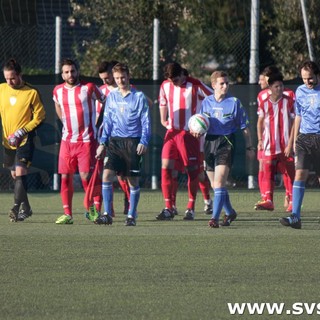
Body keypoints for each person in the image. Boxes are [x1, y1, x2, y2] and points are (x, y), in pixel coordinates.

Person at [156, 62, 213, 221]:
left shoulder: (194, 84)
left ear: (182, 75)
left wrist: (204, 121)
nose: (172, 83)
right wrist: (163, 120)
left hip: (190, 135)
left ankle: (191, 207)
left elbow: (213, 98)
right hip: (172, 133)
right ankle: (169, 207)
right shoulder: (165, 85)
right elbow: (163, 102)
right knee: (166, 167)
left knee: (193, 171)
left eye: (175, 79)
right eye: (170, 80)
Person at [95, 63, 151, 226]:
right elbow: (108, 122)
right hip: (114, 142)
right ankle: (107, 214)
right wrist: (102, 143)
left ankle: (131, 216)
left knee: (132, 181)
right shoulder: (111, 97)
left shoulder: (139, 97)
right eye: (117, 78)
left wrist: (144, 141)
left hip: (132, 142)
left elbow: (146, 121)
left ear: (128, 77)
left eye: (123, 77)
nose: (120, 81)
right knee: (106, 177)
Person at [198, 70, 254, 228]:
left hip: (226, 142)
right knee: (215, 186)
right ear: (213, 85)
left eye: (227, 83)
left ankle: (214, 218)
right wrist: (196, 131)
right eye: (221, 83)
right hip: (209, 142)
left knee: (220, 182)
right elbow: (200, 123)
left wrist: (250, 146)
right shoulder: (206, 102)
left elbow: (245, 127)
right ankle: (230, 212)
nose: (225, 86)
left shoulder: (234, 102)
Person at [53, 58, 106, 224]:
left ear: (78, 71)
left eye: (73, 71)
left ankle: (94, 209)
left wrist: (99, 124)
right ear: (62, 74)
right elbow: (58, 105)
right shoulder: (57, 91)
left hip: (87, 140)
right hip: (67, 141)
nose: (70, 74)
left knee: (86, 176)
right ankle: (68, 215)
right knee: (65, 177)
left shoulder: (88, 87)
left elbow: (106, 102)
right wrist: (64, 122)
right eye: (67, 72)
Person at [0, 58, 46, 222]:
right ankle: (26, 208)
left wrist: (22, 131)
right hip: (8, 142)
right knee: (15, 175)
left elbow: (40, 117)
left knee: (20, 172)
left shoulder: (31, 93)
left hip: (25, 140)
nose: (9, 81)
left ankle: (15, 208)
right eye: (6, 78)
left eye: (12, 78)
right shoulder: (1, 89)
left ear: (19, 75)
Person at [280, 60, 320, 229]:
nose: (307, 82)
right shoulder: (300, 91)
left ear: (317, 75)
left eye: (310, 78)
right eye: (304, 78)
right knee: (299, 175)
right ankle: (295, 216)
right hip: (304, 138)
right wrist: (294, 141)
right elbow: (298, 116)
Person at [255, 65, 296, 211]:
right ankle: (268, 199)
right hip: (269, 143)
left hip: (286, 143)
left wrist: (292, 142)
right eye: (276, 86)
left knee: (290, 171)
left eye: (281, 86)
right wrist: (260, 140)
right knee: (267, 169)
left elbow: (293, 123)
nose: (279, 88)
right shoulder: (264, 101)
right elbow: (260, 122)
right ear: (270, 87)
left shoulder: (289, 100)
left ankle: (292, 199)